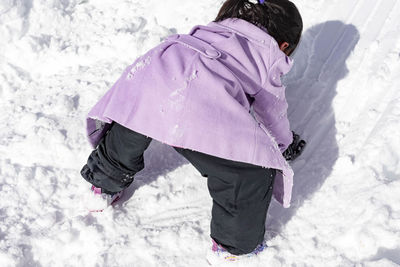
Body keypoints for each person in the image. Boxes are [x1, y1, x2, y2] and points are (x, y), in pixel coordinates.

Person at [80, 0, 305, 262]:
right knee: (246, 172)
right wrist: (283, 144)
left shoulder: (210, 30)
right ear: (284, 45)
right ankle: (233, 246)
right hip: (199, 103)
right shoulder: (269, 55)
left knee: (134, 118)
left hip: (153, 74)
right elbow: (272, 111)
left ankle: (103, 183)